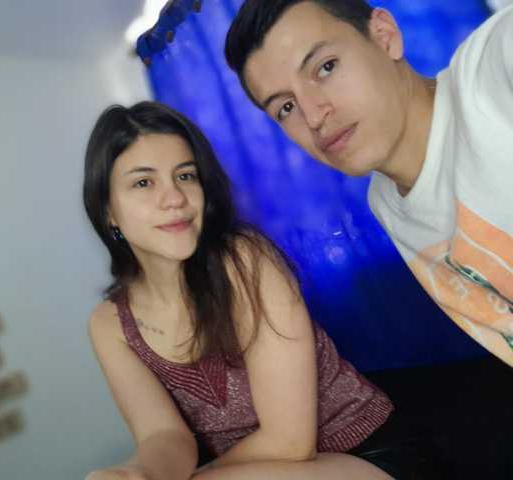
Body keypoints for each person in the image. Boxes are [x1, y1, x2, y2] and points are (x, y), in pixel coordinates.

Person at [80, 100, 451, 480]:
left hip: (368, 456)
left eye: (186, 176)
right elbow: (164, 436)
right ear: (108, 211)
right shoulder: (110, 325)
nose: (175, 198)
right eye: (143, 182)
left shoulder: (244, 260)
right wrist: (139, 473)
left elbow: (290, 443)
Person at [224, 0, 513, 366]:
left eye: (326, 67)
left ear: (384, 36)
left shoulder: (493, 68)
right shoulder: (387, 202)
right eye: (286, 107)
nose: (313, 116)